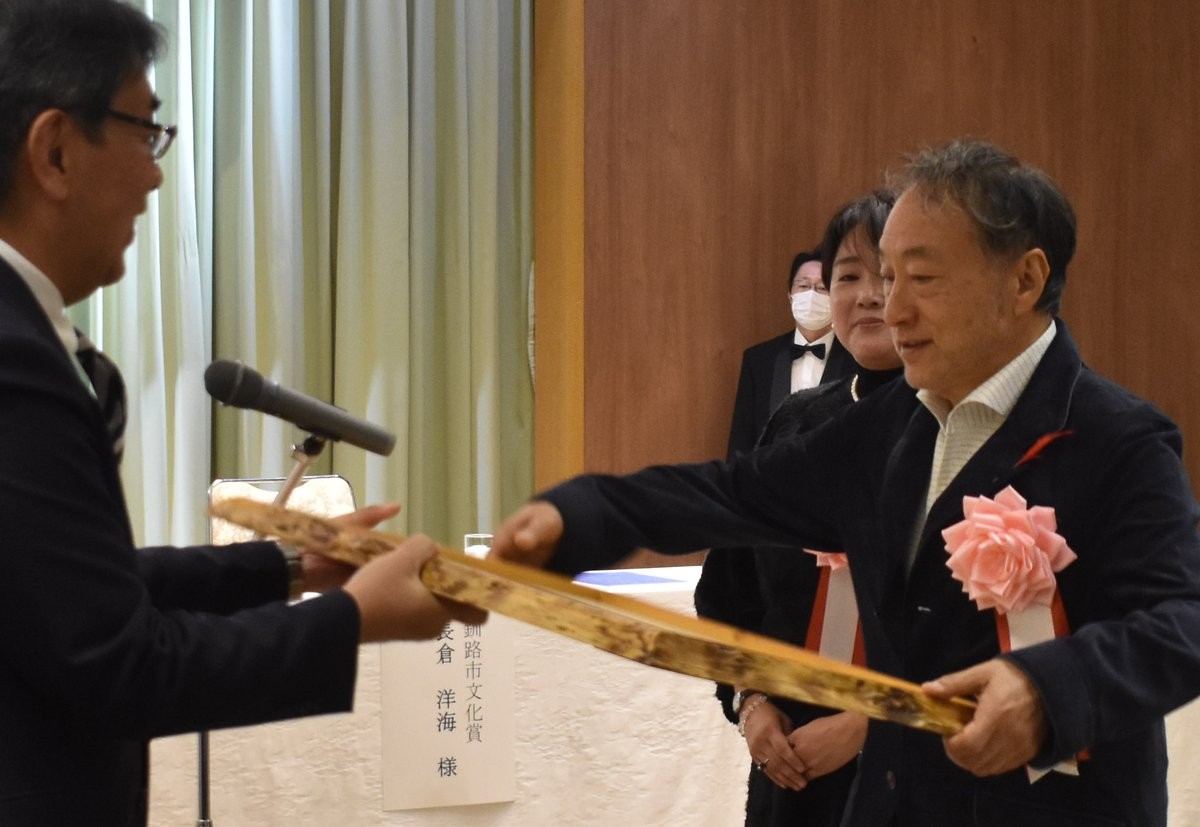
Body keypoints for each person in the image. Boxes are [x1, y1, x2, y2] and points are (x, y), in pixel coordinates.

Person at [492, 139, 1200, 825]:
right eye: (885, 278)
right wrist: (581, 512)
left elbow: (1184, 621)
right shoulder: (886, 428)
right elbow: (733, 492)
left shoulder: (1118, 439)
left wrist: (1049, 689)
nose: (892, 310)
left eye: (922, 279)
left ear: (1024, 280)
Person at [0, 2, 483, 824]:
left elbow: (76, 589)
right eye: (145, 131)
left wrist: (292, 567)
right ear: (55, 151)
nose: (156, 176)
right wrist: (356, 617)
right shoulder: (13, 358)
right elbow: (119, 663)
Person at [696, 189, 902, 826]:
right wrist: (752, 703)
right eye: (847, 276)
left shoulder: (952, 429)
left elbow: (968, 636)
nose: (866, 296)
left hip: (909, 773)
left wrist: (868, 727)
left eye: (888, 276)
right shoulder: (794, 424)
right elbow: (728, 588)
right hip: (790, 768)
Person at [726, 250, 857, 457]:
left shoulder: (858, 360)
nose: (811, 294)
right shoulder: (759, 360)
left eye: (822, 287)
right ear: (790, 296)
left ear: (836, 298)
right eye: (803, 286)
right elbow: (741, 441)